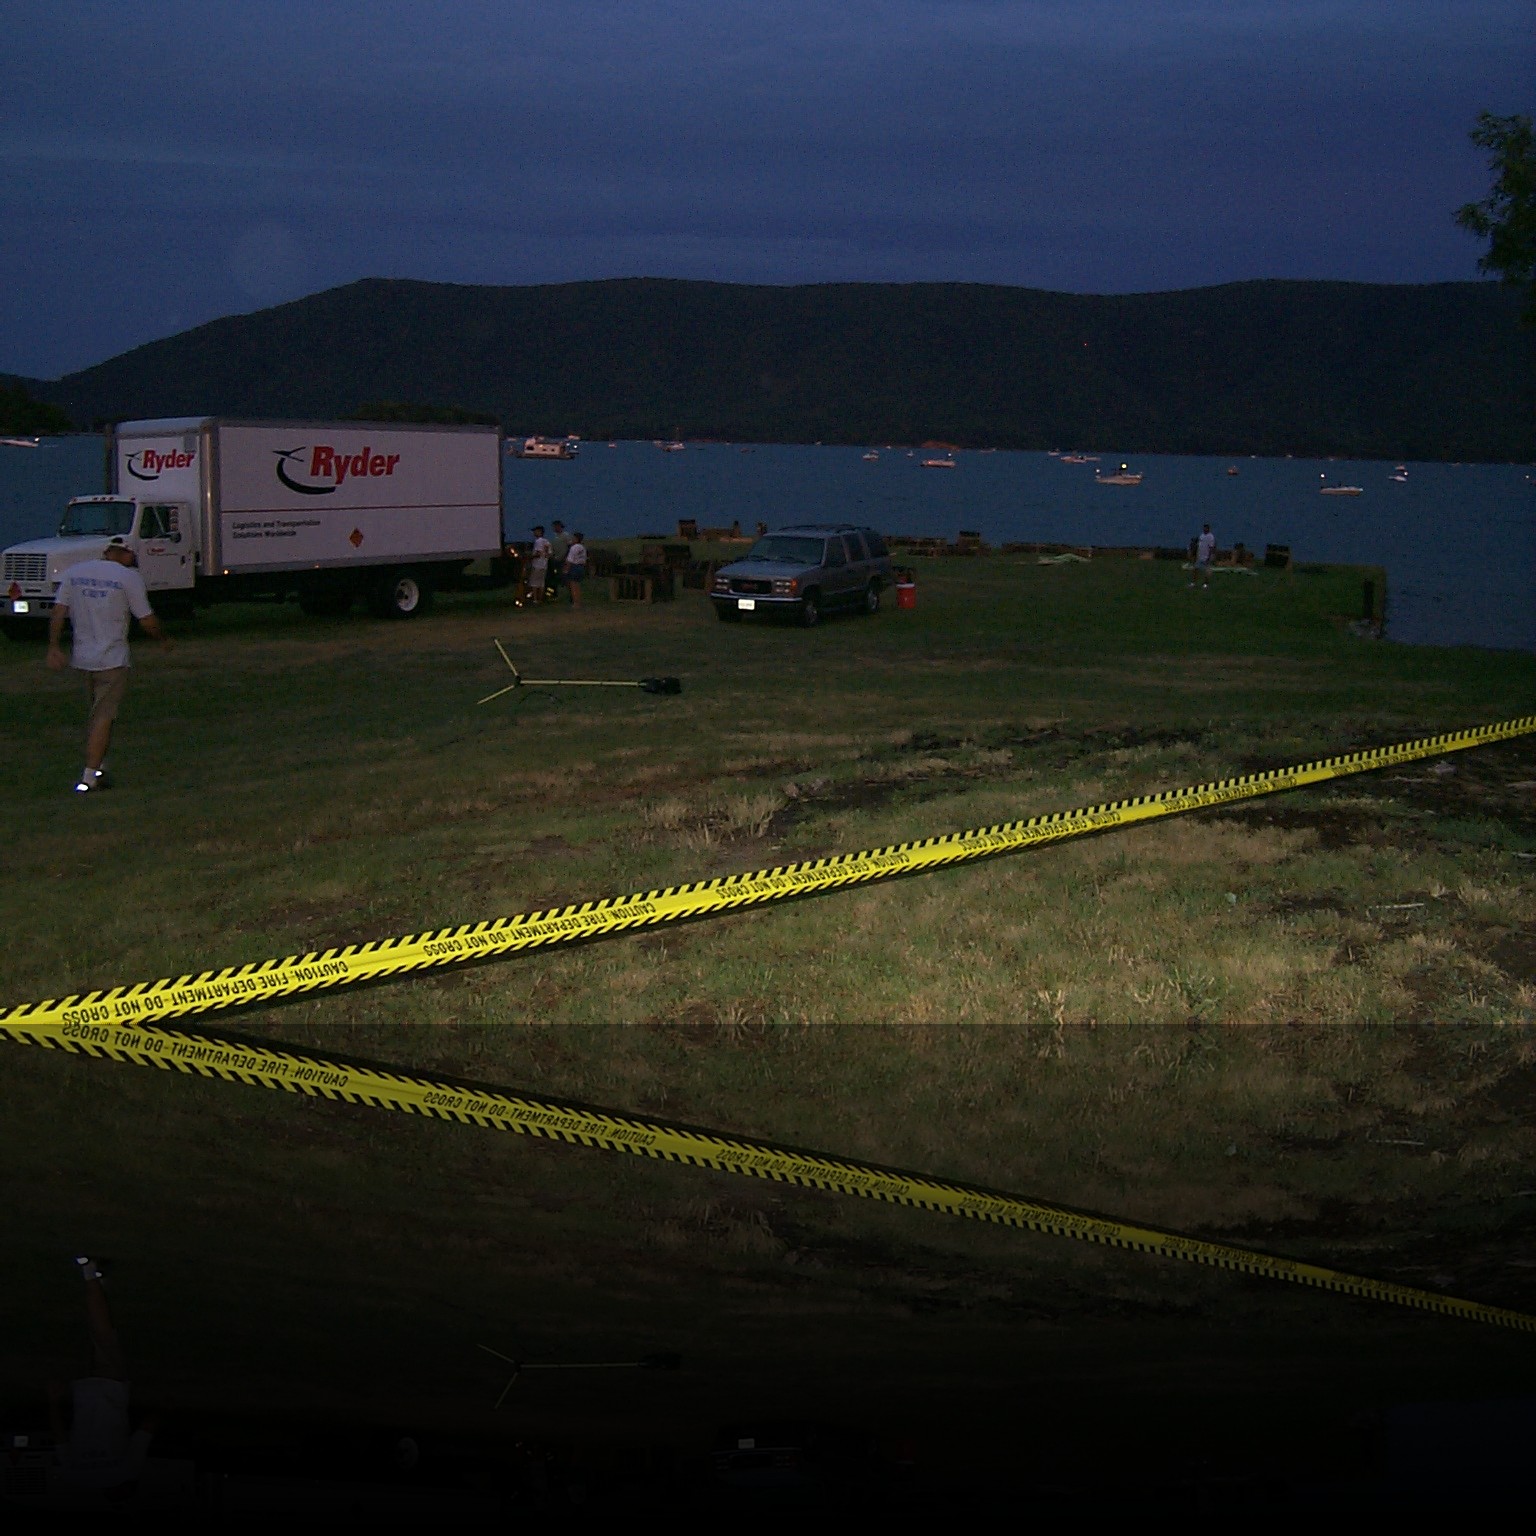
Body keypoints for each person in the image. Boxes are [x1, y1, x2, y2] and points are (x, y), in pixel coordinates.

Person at [47, 536, 170, 794]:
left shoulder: (75, 573)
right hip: (112, 659)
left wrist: (54, 646)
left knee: (95, 715)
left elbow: (59, 611)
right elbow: (146, 619)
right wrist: (163, 640)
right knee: (104, 717)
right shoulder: (128, 578)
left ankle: (99, 767)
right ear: (127, 555)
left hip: (83, 658)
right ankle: (89, 776)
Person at [46, 1257, 157, 1499]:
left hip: (111, 1389)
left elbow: (145, 1431)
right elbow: (59, 1437)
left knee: (103, 1334)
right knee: (96, 1335)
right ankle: (97, 1283)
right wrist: (54, 1401)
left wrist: (165, 1407)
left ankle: (89, 1273)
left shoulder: (126, 1472)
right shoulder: (74, 1475)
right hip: (83, 1394)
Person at [525, 525, 551, 605]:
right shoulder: (547, 542)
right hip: (544, 564)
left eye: (535, 531)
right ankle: (540, 599)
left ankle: (535, 599)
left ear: (539, 532)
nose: (534, 533)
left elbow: (538, 553)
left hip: (537, 564)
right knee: (541, 583)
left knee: (534, 583)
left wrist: (529, 557)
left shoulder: (538, 541)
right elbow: (549, 553)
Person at [547, 520, 571, 602]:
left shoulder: (565, 535)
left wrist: (566, 557)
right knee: (554, 578)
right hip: (555, 560)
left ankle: (572, 594)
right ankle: (553, 594)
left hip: (563, 560)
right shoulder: (554, 537)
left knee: (564, 577)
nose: (554, 528)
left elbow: (569, 547)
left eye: (556, 526)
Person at [563, 531, 588, 608]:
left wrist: (566, 570)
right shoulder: (582, 547)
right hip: (581, 566)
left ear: (576, 539)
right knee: (577, 585)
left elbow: (570, 560)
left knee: (573, 586)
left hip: (574, 567)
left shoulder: (573, 548)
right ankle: (578, 601)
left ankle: (575, 602)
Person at [1191, 523, 1216, 589]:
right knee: (1195, 569)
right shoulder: (1201, 536)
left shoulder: (1211, 537)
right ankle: (1193, 583)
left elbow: (1211, 547)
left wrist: (1209, 557)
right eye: (1204, 528)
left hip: (1206, 557)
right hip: (1200, 556)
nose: (1205, 529)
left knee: (1206, 571)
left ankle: (1205, 584)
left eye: (1206, 528)